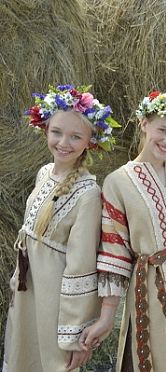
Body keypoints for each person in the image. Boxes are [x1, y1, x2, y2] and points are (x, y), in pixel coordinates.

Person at [79, 92, 166, 372]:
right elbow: (114, 253)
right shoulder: (117, 182)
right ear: (144, 123)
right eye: (162, 130)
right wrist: (106, 318)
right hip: (153, 289)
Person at [3, 84, 119, 371]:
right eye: (57, 132)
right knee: (22, 356)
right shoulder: (44, 172)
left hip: (54, 302)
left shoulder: (87, 193)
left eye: (75, 136)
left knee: (50, 362)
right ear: (45, 130)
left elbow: (81, 265)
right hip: (28, 289)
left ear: (90, 142)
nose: (64, 142)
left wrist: (74, 333)